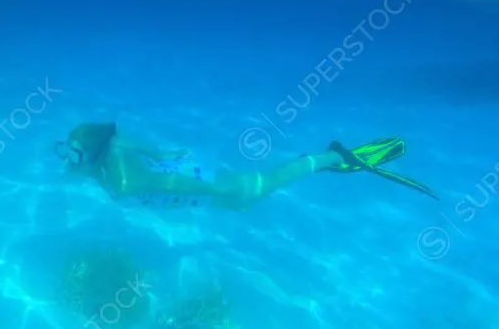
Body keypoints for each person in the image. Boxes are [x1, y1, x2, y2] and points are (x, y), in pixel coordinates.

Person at [55, 123, 437, 209]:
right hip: (189, 169)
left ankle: (329, 158)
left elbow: (170, 187)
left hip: (195, 184)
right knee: (249, 186)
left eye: (73, 153)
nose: (67, 159)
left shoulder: (119, 180)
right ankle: (325, 159)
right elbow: (158, 154)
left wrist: (222, 193)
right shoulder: (116, 145)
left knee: (257, 186)